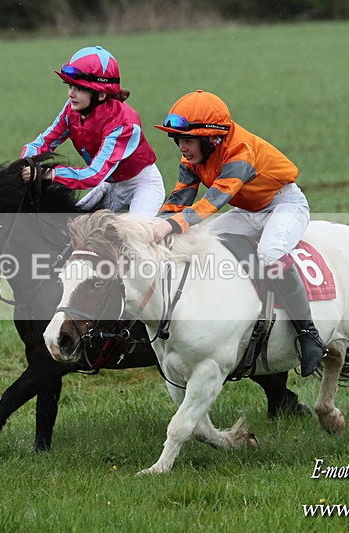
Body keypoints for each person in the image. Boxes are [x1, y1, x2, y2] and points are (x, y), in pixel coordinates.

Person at [150, 90, 327, 376]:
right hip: (247, 211)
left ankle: (308, 334)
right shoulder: (194, 158)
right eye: (178, 140)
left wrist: (169, 226)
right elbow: (179, 199)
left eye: (187, 140)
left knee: (269, 254)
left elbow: (212, 202)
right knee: (205, 242)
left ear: (212, 139)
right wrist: (151, 228)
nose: (182, 148)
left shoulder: (240, 151)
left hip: (284, 205)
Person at [20, 46, 165, 217]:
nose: (71, 94)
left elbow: (93, 175)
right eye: (70, 86)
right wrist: (25, 163)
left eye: (79, 88)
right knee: (72, 226)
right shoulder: (71, 110)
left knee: (134, 232)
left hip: (142, 186)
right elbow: (43, 143)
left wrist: (48, 174)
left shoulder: (124, 124)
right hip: (110, 184)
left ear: (101, 95)